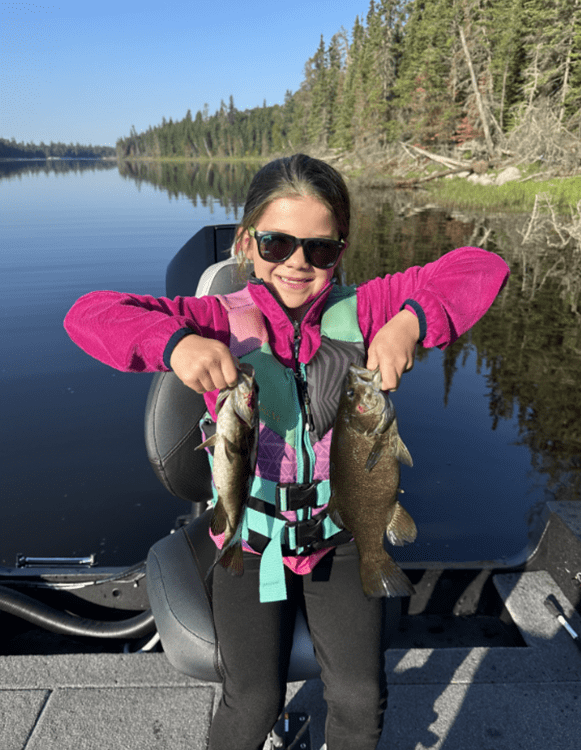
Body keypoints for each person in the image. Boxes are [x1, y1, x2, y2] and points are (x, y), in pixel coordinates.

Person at [64, 153, 510, 750]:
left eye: (321, 249)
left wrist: (411, 320)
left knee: (359, 697)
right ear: (247, 243)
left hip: (343, 534)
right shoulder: (215, 319)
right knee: (253, 702)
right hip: (250, 542)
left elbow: (480, 265)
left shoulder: (372, 307)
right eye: (277, 244)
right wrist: (172, 342)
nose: (298, 263)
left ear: (341, 252)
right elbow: (87, 315)